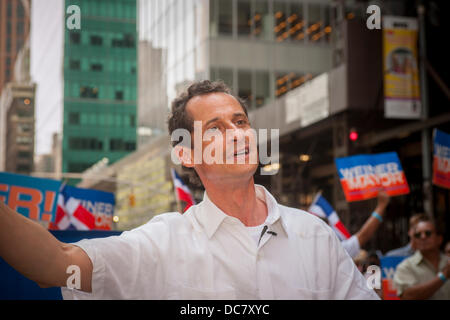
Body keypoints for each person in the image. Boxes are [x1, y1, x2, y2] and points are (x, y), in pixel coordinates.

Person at [0, 80, 378, 299]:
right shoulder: (161, 243)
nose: (237, 133)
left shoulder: (315, 235)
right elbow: (54, 264)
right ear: (186, 153)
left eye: (241, 121)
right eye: (215, 127)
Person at [393, 216, 450, 300]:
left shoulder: (447, 261)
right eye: (417, 235)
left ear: (439, 239)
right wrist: (443, 276)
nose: (423, 237)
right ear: (414, 240)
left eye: (428, 233)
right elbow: (408, 296)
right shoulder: (405, 267)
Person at [340, 191, 390, 259]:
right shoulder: (335, 249)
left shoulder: (333, 248)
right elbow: (363, 236)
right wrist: (381, 206)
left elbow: (362, 236)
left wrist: (381, 206)